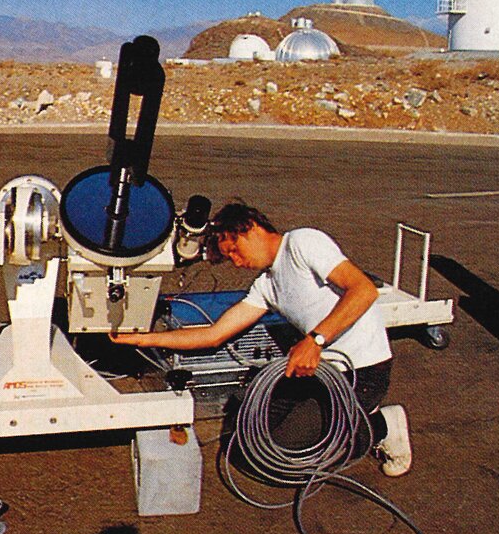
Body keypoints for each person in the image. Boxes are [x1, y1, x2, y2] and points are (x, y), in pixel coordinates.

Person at [109, 202, 411, 476]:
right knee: (252, 435)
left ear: (251, 228)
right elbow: (215, 335)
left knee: (286, 451)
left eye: (235, 250)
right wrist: (144, 339)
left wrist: (315, 341)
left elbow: (363, 290)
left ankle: (382, 426)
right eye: (230, 258)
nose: (237, 262)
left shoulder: (303, 243)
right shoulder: (266, 286)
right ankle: (335, 424)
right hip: (317, 372)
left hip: (362, 372)